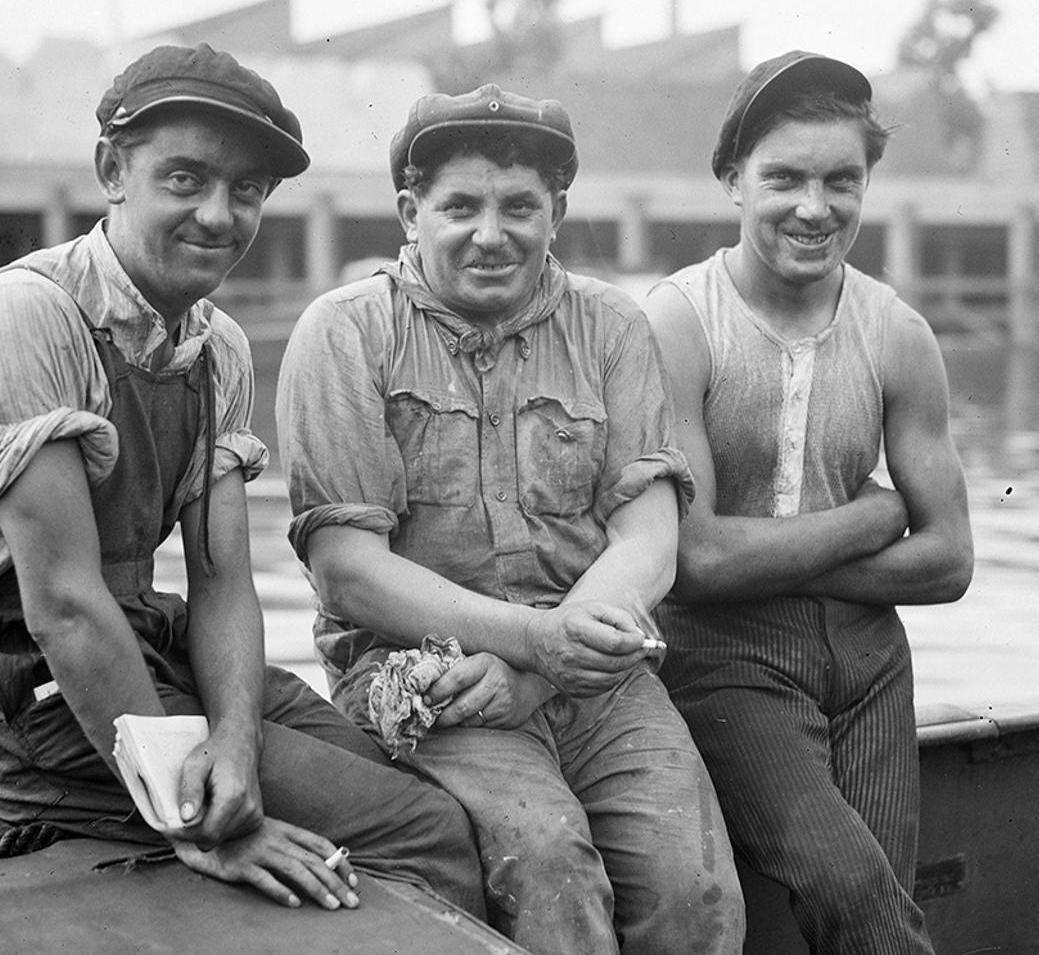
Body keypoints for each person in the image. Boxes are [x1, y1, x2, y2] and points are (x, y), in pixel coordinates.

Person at [0, 43, 484, 917]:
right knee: (423, 831)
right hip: (26, 689)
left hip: (142, 639)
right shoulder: (26, 318)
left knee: (403, 779)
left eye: (246, 190)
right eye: (184, 179)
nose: (218, 214)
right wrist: (191, 811)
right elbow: (63, 607)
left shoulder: (216, 347)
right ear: (112, 171)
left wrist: (236, 745)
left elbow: (221, 579)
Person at [276, 83, 745, 955]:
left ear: (556, 213)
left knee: (697, 891)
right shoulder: (344, 333)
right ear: (411, 214)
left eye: (519, 207)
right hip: (426, 682)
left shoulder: (613, 327)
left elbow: (649, 537)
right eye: (460, 207)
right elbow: (347, 570)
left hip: (598, 681)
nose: (491, 234)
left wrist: (544, 666)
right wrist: (536, 645)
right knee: (548, 865)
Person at [644, 51, 975, 953]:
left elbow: (949, 561)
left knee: (877, 903)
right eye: (784, 179)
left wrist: (777, 558)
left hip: (871, 664)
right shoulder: (679, 322)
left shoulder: (897, 333)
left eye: (841, 182)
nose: (814, 208)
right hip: (727, 661)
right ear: (732, 180)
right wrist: (872, 517)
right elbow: (696, 562)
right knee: (855, 891)